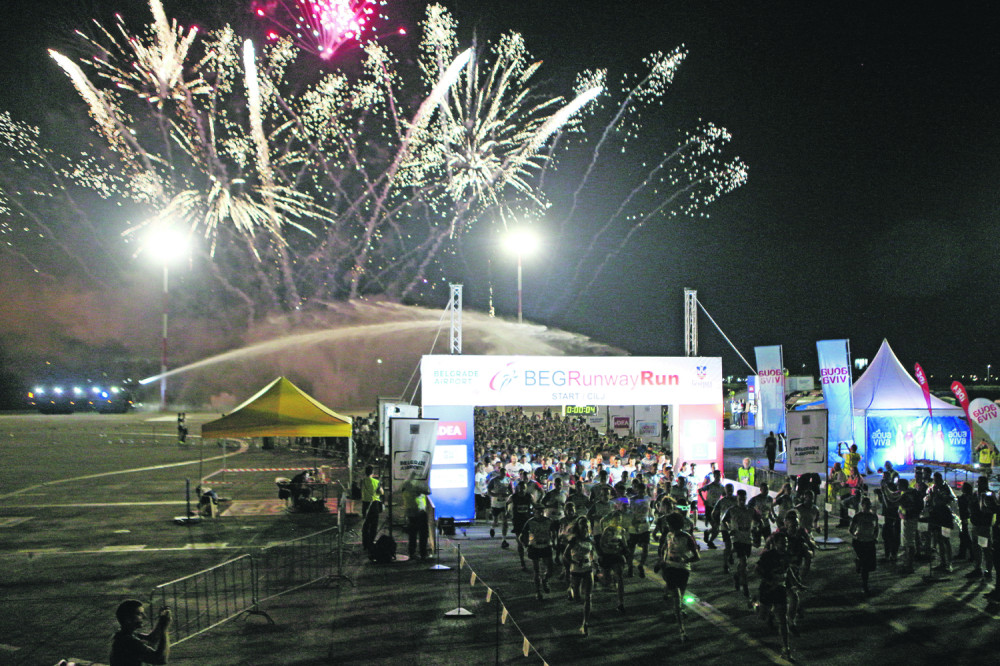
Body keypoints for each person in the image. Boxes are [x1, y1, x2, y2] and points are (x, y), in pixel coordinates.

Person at [755, 533, 801, 660]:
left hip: (780, 589)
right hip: (767, 590)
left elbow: (788, 570)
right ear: (775, 544)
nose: (785, 545)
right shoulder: (768, 556)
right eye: (782, 542)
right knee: (762, 616)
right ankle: (756, 605)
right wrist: (769, 581)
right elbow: (757, 569)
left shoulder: (787, 555)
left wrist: (797, 583)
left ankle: (786, 648)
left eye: (786, 542)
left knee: (783, 619)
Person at [659, 511, 700, 642]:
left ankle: (678, 611)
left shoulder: (687, 537)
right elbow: (665, 549)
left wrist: (685, 560)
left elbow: (697, 557)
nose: (667, 526)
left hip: (683, 570)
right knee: (677, 598)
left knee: (680, 598)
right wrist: (662, 561)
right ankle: (682, 630)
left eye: (669, 524)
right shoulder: (668, 535)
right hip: (670, 569)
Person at [109, 599, 171, 666]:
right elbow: (161, 659)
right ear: (128, 619)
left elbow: (152, 639)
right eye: (139, 614)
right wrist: (165, 629)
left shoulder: (124, 635)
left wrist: (161, 621)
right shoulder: (128, 642)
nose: (144, 617)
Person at [564, 518, 597, 636]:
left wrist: (594, 562)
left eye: (587, 526)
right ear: (578, 527)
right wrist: (573, 562)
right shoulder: (574, 539)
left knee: (588, 597)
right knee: (577, 597)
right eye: (583, 526)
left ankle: (585, 624)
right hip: (576, 570)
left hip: (588, 569)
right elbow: (565, 555)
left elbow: (592, 552)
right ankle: (571, 589)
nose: (585, 529)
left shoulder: (590, 539)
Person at [722, 489, 755, 604]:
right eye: (739, 499)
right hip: (737, 538)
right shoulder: (732, 510)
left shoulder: (750, 510)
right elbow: (724, 520)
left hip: (747, 538)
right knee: (744, 561)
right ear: (737, 499)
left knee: (742, 563)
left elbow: (759, 520)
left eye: (743, 498)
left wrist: (756, 529)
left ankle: (737, 576)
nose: (741, 500)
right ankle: (745, 588)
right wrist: (729, 528)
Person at [520, 504, 556, 600]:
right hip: (535, 547)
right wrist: (526, 544)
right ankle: (538, 591)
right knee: (536, 570)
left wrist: (554, 542)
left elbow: (554, 533)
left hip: (546, 546)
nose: (539, 513)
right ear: (534, 512)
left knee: (550, 570)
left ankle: (545, 580)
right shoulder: (530, 522)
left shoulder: (549, 521)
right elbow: (522, 535)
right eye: (537, 511)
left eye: (541, 511)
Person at [850, 496, 879, 595]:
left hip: (869, 542)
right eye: (865, 505)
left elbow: (876, 528)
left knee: (870, 565)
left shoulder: (873, 516)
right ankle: (865, 585)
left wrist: (875, 537)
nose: (867, 507)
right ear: (862, 505)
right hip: (860, 542)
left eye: (868, 505)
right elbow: (851, 529)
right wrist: (856, 536)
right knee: (865, 565)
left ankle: (858, 563)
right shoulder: (858, 516)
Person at [400, 479, 430, 560]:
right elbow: (428, 491)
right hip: (419, 512)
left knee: (412, 534)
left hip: (410, 512)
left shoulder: (405, 488)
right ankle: (423, 553)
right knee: (423, 534)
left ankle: (412, 552)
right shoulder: (416, 487)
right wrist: (425, 482)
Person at [487, 463, 513, 548]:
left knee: (504, 522)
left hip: (504, 503)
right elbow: (489, 491)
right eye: (502, 474)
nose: (503, 475)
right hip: (495, 503)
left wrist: (507, 495)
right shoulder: (494, 480)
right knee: (496, 521)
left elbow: (511, 491)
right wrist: (496, 495)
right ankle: (492, 528)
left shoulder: (508, 480)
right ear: (499, 473)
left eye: (505, 474)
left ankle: (504, 539)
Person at [360, 465, 383, 555]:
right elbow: (381, 492)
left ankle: (365, 543)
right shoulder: (376, 481)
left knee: (366, 525)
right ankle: (371, 542)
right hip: (374, 504)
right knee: (374, 525)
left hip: (365, 504)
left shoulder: (362, 481)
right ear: (372, 472)